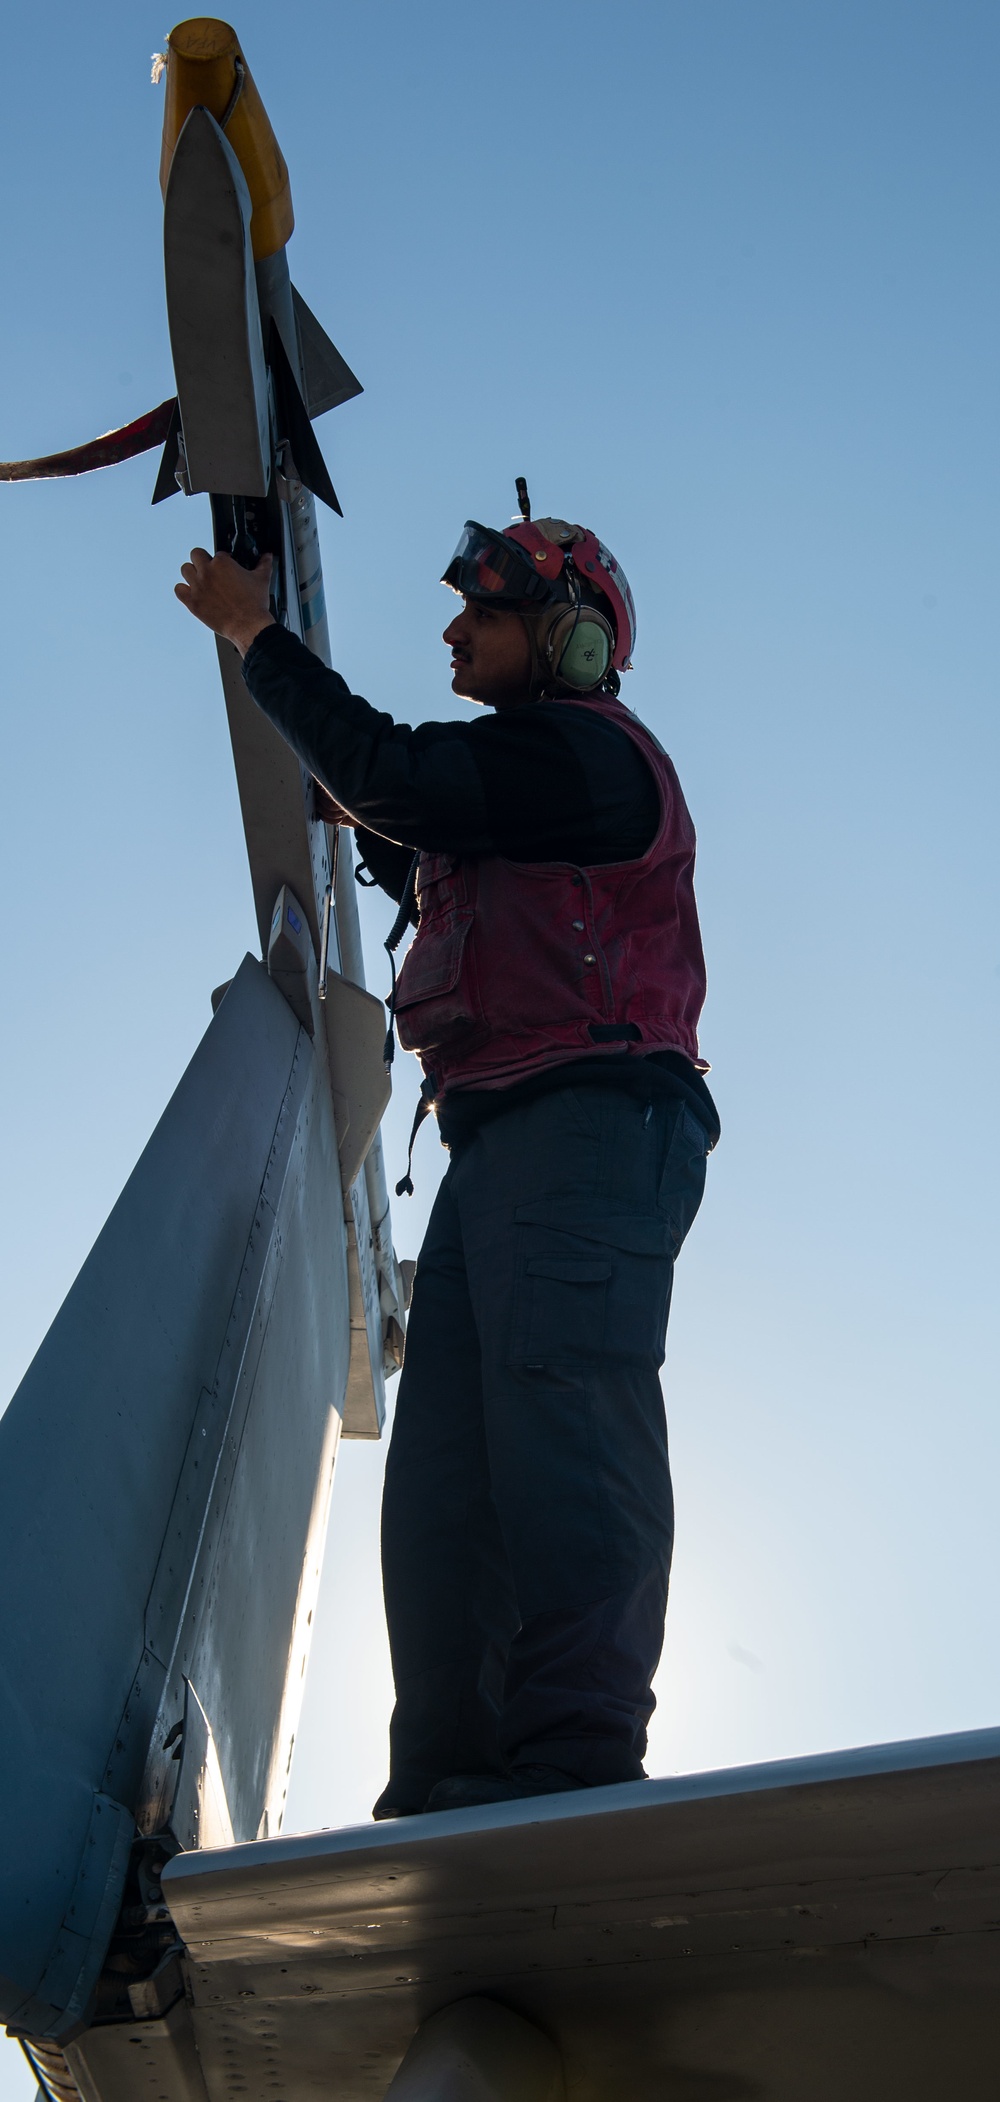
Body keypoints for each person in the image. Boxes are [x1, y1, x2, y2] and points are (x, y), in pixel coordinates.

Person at [175, 500, 719, 1819]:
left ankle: (579, 1762)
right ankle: (452, 1778)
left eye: (481, 612)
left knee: (561, 1426)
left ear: (572, 642)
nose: (452, 631)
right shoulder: (507, 802)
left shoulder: (589, 758)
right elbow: (406, 823)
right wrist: (307, 727)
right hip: (496, 1141)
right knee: (444, 1491)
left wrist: (261, 639)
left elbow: (408, 779)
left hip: (590, 1123)